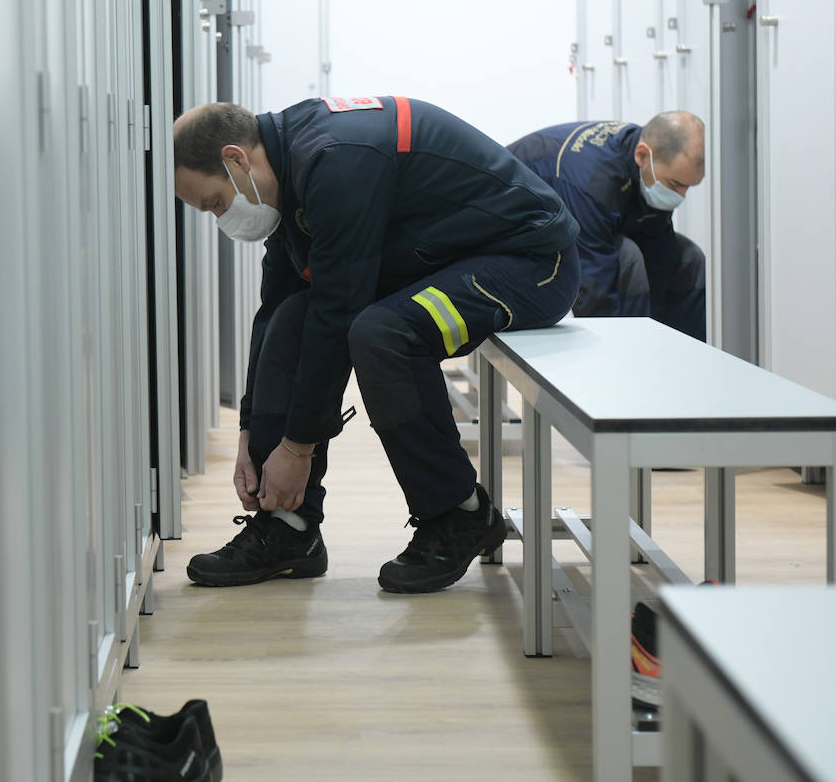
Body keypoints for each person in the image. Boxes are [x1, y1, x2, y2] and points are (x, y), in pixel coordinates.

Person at [171, 97, 580, 593]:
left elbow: (338, 312)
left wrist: (296, 448)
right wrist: (250, 427)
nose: (221, 218)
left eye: (215, 202)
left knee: (383, 333)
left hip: (531, 262)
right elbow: (276, 310)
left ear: (236, 160)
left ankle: (459, 513)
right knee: (289, 319)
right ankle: (288, 525)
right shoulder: (290, 173)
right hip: (451, 262)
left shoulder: (336, 160)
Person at [505, 113, 707, 341]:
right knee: (627, 259)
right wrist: (611, 350)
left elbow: (658, 246)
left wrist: (658, 325)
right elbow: (593, 288)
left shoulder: (649, 159)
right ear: (642, 155)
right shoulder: (592, 183)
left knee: (690, 259)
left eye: (688, 187)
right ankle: (629, 357)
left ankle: (681, 357)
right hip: (512, 233)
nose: (680, 196)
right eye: (674, 185)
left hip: (576, 224)